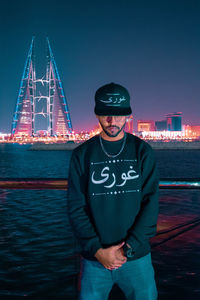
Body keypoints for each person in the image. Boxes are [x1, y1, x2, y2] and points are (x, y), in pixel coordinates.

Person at [67, 82, 159, 300]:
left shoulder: (142, 151)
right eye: (106, 114)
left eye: (119, 115)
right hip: (94, 259)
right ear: (97, 114)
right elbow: (75, 207)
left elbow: (151, 203)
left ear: (129, 114)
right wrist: (98, 251)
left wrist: (127, 249)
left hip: (136, 258)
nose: (112, 121)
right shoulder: (82, 154)